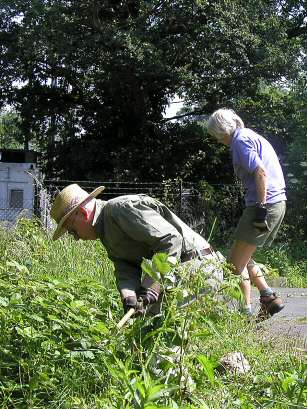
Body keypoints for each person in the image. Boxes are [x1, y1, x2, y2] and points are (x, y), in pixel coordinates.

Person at [50, 184, 223, 316]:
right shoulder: (104, 229)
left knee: (163, 345)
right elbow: (125, 266)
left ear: (83, 213)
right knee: (149, 339)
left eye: (72, 230)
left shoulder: (119, 209)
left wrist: (152, 285)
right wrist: (129, 296)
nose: (76, 237)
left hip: (195, 267)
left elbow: (170, 240)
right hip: (175, 271)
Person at [207, 108, 286, 319]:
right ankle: (268, 297)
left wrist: (260, 208)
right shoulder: (249, 135)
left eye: (215, 134)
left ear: (221, 130)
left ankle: (245, 313)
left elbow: (260, 172)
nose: (217, 140)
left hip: (264, 205)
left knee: (233, 266)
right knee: (243, 257)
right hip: (275, 203)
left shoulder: (240, 141)